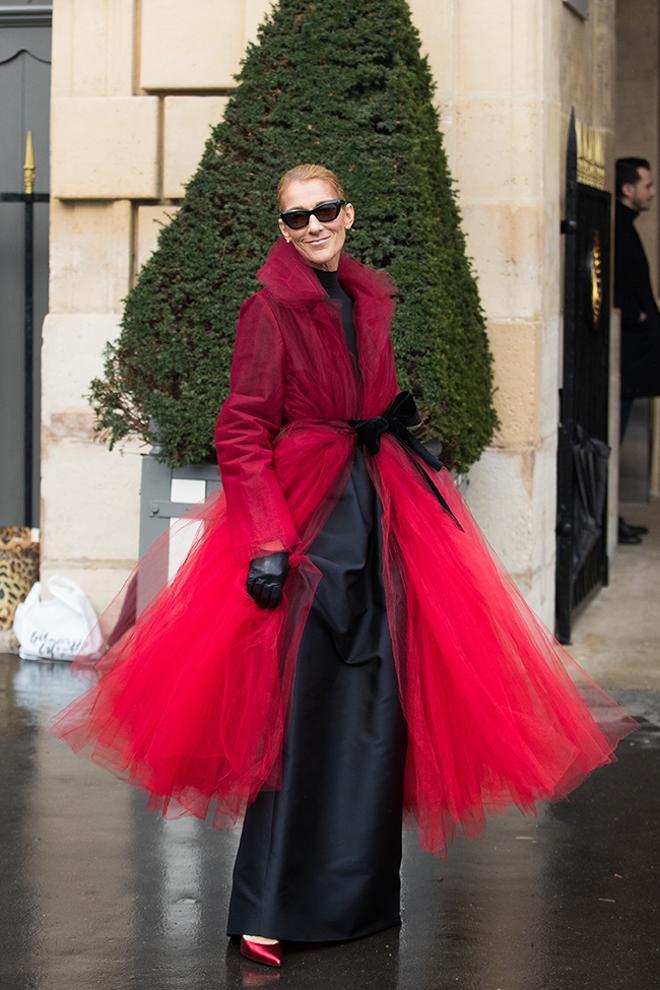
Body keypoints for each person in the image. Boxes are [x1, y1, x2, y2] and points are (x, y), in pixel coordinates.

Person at [51, 164, 636, 970]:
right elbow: (243, 430)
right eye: (296, 218)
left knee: (374, 712)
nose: (314, 226)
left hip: (382, 512)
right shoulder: (267, 310)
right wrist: (264, 540)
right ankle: (266, 908)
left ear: (348, 213)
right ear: (282, 227)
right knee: (295, 720)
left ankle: (354, 901)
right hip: (304, 524)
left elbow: (377, 401)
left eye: (325, 211)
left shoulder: (368, 298)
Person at [614, 157, 659, 545]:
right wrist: (638, 315)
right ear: (627, 189)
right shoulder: (616, 228)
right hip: (624, 358)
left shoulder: (625, 228)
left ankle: (612, 519)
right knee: (613, 437)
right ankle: (608, 521)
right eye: (647, 184)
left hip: (633, 356)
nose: (652, 191)